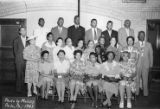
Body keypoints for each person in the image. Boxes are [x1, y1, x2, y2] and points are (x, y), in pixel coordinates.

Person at [134, 31, 153, 96]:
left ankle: (145, 93)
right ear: (138, 36)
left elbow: (151, 55)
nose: (142, 36)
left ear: (144, 36)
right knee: (137, 79)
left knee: (145, 80)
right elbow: (133, 55)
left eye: (143, 35)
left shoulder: (149, 44)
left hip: (146, 65)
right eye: (140, 35)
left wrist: (151, 65)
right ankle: (136, 92)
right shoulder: (135, 44)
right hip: (137, 64)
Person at [13, 27, 28, 93]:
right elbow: (15, 52)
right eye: (22, 30)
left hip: (28, 61)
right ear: (20, 32)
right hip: (19, 60)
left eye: (24, 30)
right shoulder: (16, 40)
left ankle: (28, 89)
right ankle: (18, 90)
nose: (23, 31)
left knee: (27, 75)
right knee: (19, 75)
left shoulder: (29, 39)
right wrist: (19, 59)